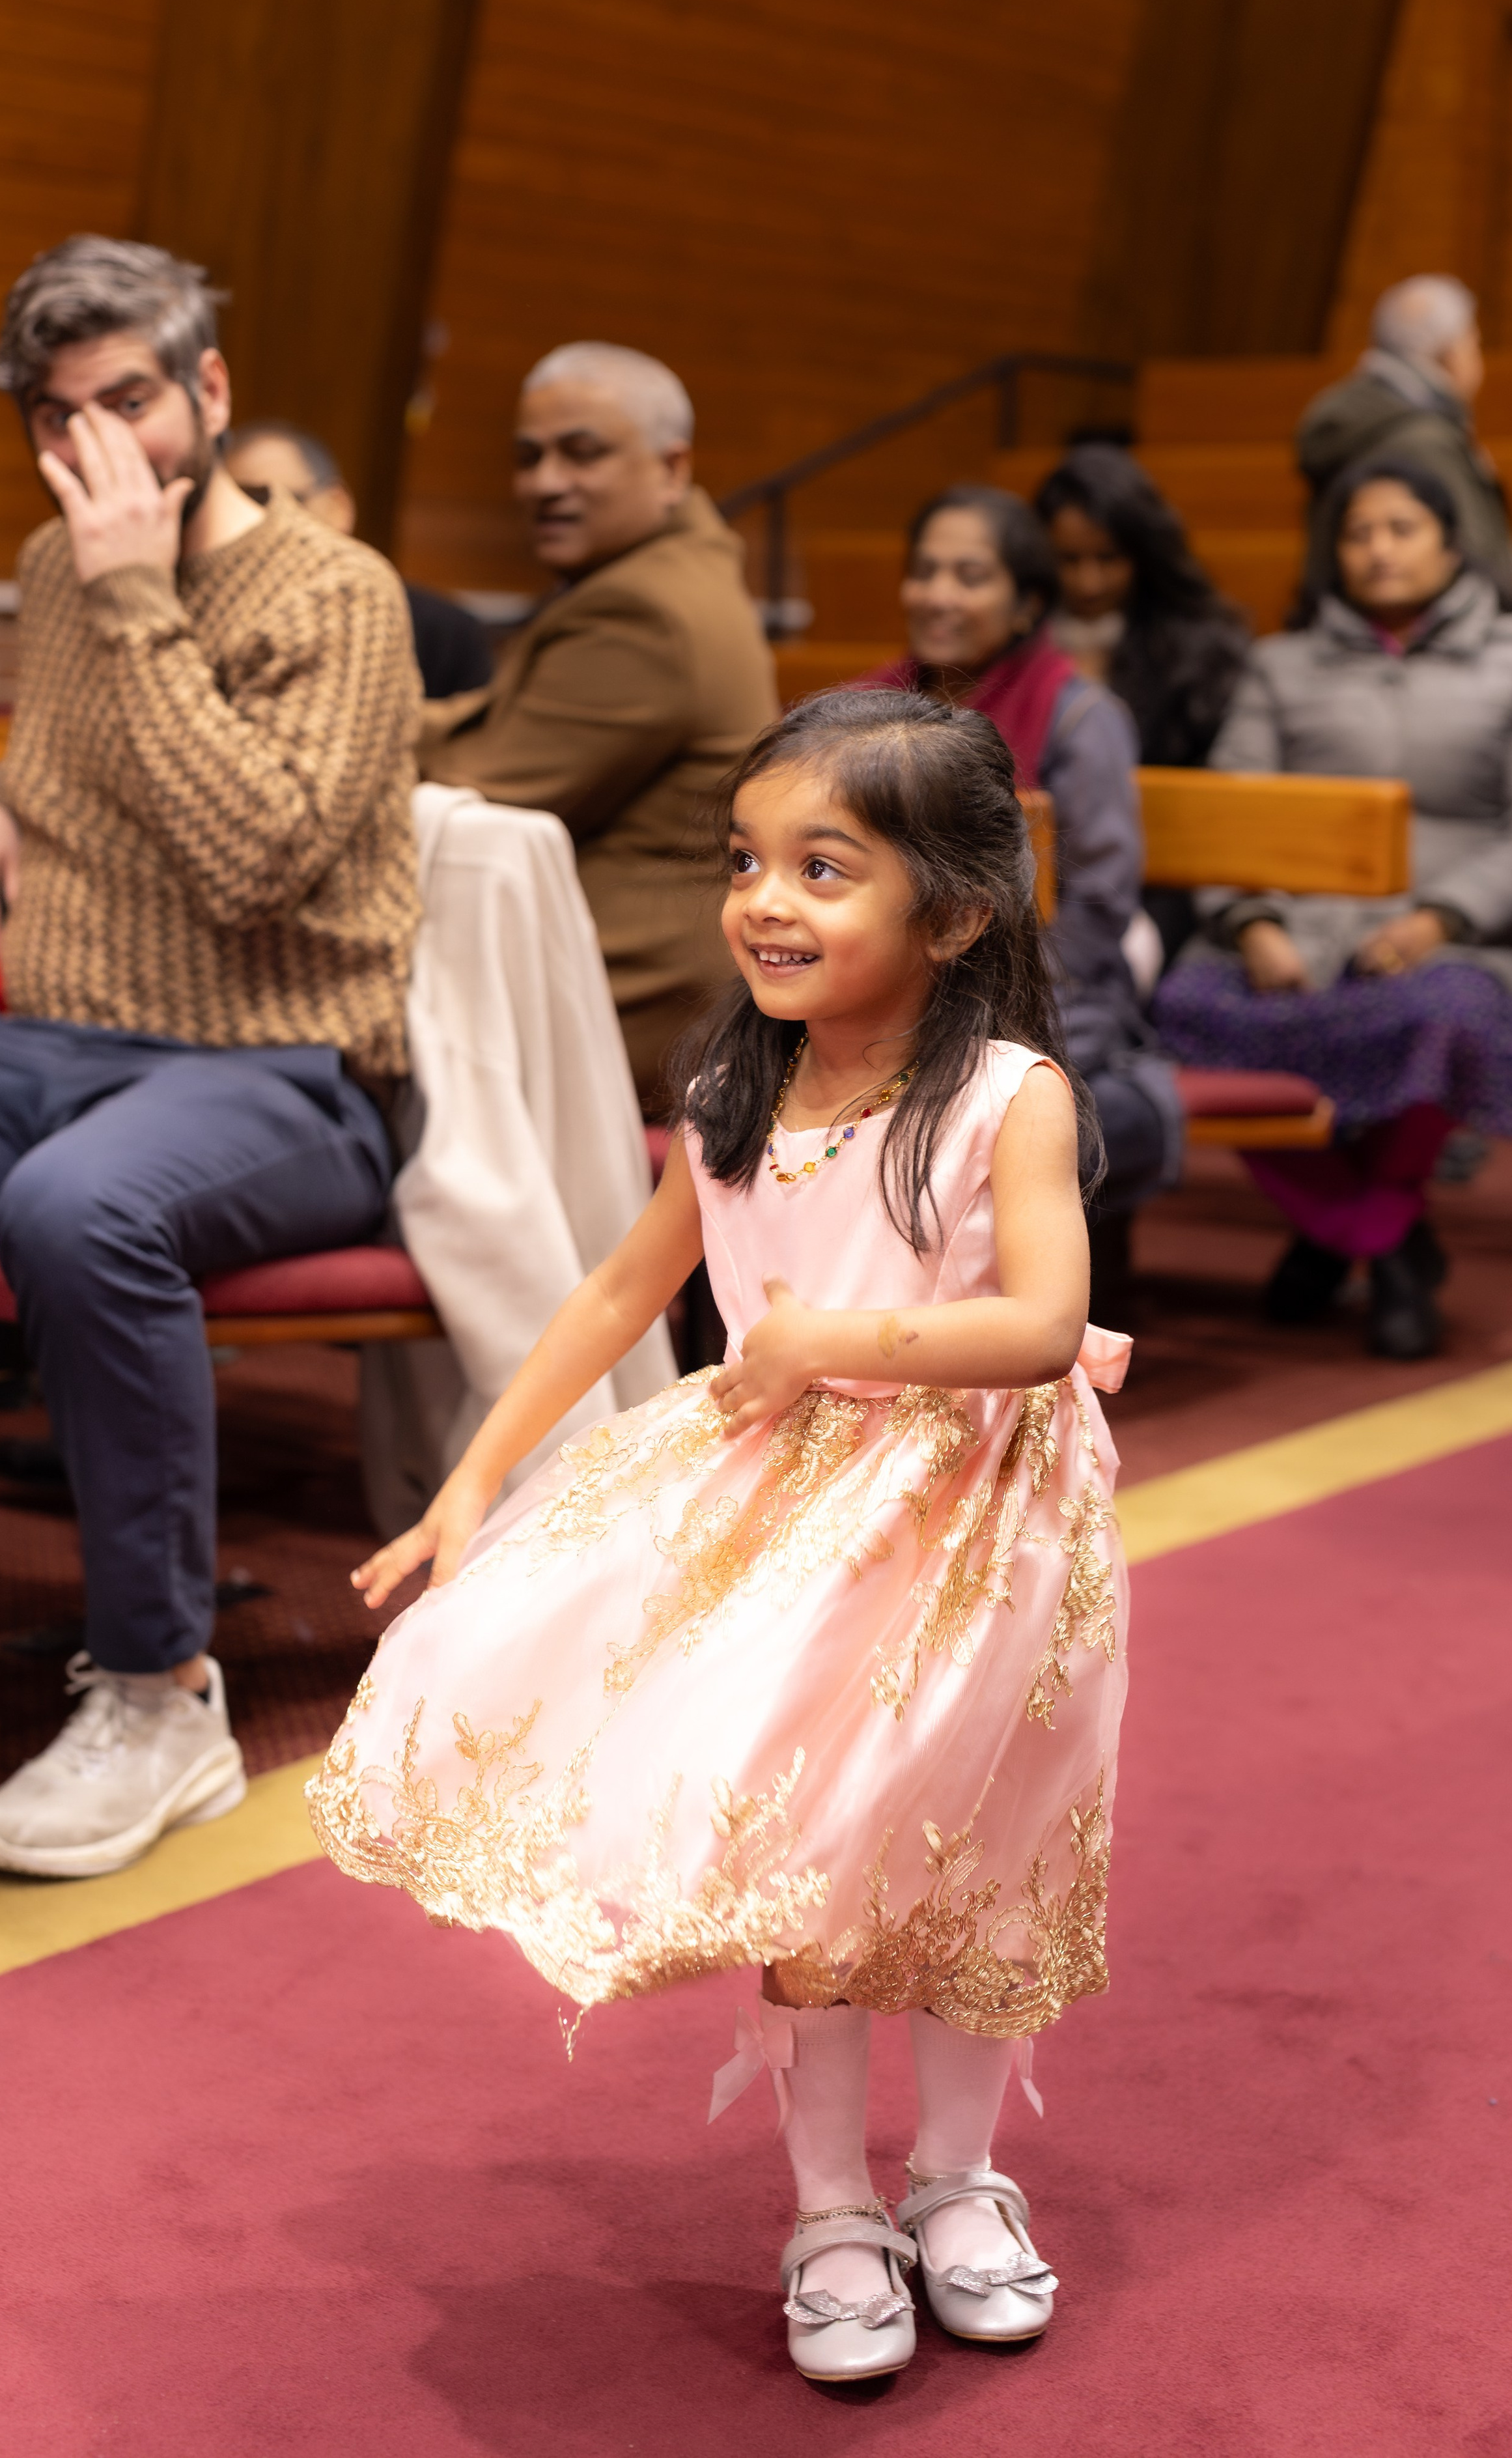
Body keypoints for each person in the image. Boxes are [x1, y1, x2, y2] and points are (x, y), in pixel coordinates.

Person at [310, 686, 1130, 2386]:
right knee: (812, 1863)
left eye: (824, 868)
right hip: (786, 1522)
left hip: (980, 1526)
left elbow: (1045, 1323)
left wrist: (830, 1338)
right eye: (747, 859)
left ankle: (962, 2179)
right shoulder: (732, 1083)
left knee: (976, 1857)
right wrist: (479, 1476)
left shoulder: (1005, 1097)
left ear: (955, 908)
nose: (765, 899)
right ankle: (833, 2206)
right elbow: (624, 1286)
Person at [0, 234, 422, 1873]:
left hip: (290, 1068)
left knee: (76, 1205)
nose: (98, 451)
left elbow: (258, 854)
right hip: (52, 1037)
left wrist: (130, 595)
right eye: (58, 416)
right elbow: (58, 767)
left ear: (209, 391)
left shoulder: (335, 592)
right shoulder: (56, 569)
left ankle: (162, 1690)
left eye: (130, 401)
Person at [1155, 457, 1512, 1359]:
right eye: (1358, 533)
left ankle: (1337, 1234)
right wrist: (1257, 923)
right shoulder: (1283, 665)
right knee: (1183, 1009)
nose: (1378, 550)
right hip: (1300, 931)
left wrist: (1441, 918)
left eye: (1401, 528)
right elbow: (1232, 807)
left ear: (1451, 541)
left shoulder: (1510, 662)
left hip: (1455, 936)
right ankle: (1388, 1241)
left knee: (1446, 1017)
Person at [419, 342, 779, 1108]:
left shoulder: (643, 610)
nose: (546, 483)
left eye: (582, 454)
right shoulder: (665, 573)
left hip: (621, 1007)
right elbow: (492, 724)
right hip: (621, 983)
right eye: (529, 456)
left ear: (672, 467)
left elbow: (479, 790)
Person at [858, 487, 1182, 1293]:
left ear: (1027, 602)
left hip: (1040, 985)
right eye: (925, 571)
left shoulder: (1079, 717)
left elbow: (1099, 903)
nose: (938, 594)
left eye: (969, 576)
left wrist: (980, 1006)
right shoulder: (864, 712)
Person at [1035, 444, 1249, 968]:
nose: (1089, 582)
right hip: (1036, 881)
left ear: (1143, 554)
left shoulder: (1201, 651)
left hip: (1159, 889)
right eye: (1069, 561)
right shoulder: (1018, 645)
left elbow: (1210, 811)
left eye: (1108, 559)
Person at [225, 419, 494, 699]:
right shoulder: (225, 624)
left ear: (337, 508)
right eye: (241, 507)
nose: (259, 525)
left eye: (276, 501)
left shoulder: (446, 634)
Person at [1296, 275, 1512, 609]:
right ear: (1449, 354)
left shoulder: (1366, 419)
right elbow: (1482, 563)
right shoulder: (1423, 440)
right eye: (1475, 345)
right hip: (1426, 638)